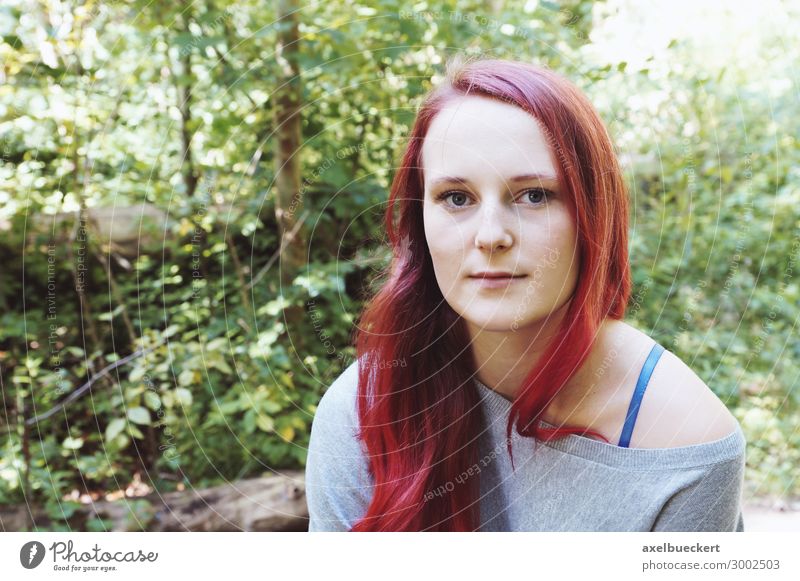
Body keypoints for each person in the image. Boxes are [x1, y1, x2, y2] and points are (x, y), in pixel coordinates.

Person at [304, 56, 746, 532]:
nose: (491, 236)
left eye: (534, 195)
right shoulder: (363, 409)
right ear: (420, 223)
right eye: (457, 198)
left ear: (593, 217)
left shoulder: (688, 447)